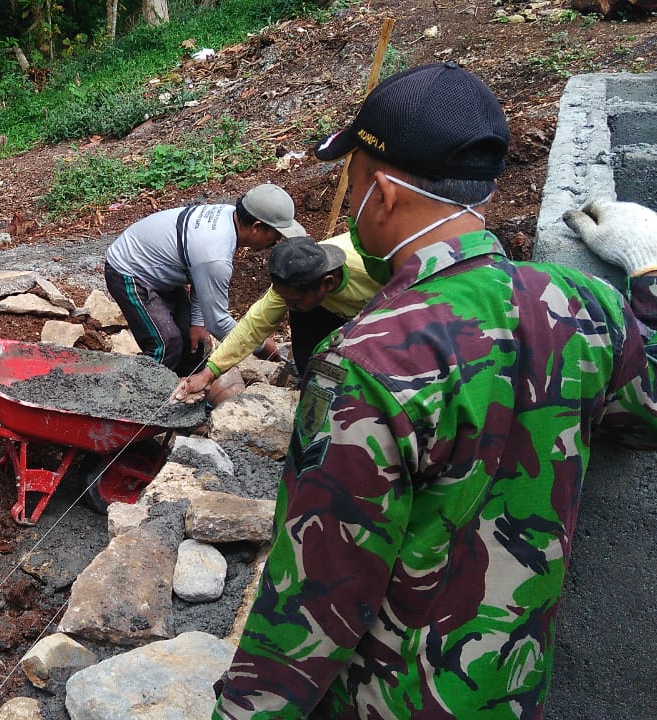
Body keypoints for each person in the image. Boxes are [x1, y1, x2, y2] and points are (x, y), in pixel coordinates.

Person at [204, 62, 657, 719]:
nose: (350, 194)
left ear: (382, 193)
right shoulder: (583, 305)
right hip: (510, 692)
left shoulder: (368, 362)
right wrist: (647, 269)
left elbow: (314, 599)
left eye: (352, 178)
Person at [103, 184, 307, 378]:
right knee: (166, 345)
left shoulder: (230, 218)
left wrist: (198, 323)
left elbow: (202, 276)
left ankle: (182, 391)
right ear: (256, 227)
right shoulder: (215, 252)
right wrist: (260, 346)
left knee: (194, 343)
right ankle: (134, 399)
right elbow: (218, 323)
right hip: (129, 271)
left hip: (162, 268)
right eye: (276, 235)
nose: (276, 242)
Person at [173, 232, 381, 402]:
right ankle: (312, 387)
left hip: (382, 309)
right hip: (329, 307)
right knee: (309, 350)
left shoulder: (374, 270)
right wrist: (208, 373)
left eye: (294, 300)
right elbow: (253, 327)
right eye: (283, 298)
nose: (287, 307)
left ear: (327, 282)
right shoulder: (297, 280)